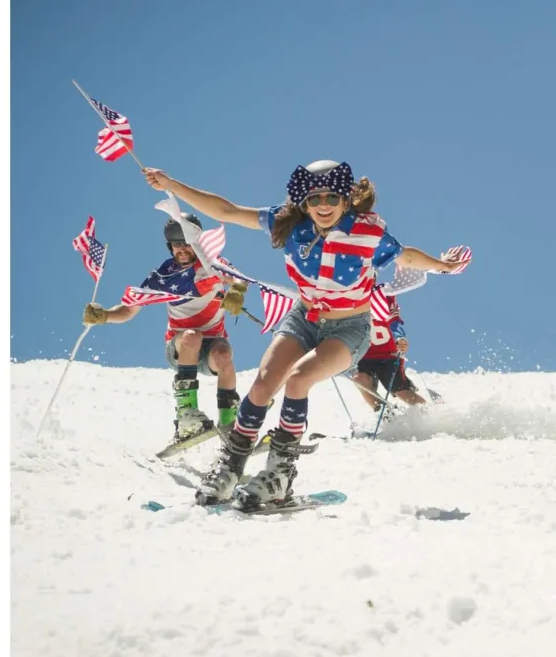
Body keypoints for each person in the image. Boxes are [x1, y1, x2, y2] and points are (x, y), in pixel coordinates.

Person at [144, 160, 469, 508]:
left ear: (345, 200)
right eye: (314, 199)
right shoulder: (290, 225)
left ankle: (280, 474)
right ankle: (230, 465)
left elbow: (406, 256)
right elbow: (227, 210)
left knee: (299, 380)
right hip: (305, 318)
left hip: (350, 326)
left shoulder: (367, 232)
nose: (323, 206)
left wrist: (441, 265)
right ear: (303, 202)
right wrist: (171, 185)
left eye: (331, 197)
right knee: (264, 383)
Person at [83, 213, 250, 456]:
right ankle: (186, 417)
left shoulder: (212, 264)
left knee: (224, 354)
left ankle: (229, 424)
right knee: (192, 336)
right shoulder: (162, 276)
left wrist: (236, 292)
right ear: (170, 247)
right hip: (182, 347)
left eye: (186, 243)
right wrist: (105, 315)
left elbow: (238, 278)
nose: (182, 249)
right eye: (176, 244)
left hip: (212, 344)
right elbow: (129, 309)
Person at [352, 293, 427, 414]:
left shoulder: (384, 296)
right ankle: (387, 416)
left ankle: (431, 413)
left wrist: (400, 337)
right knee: (359, 380)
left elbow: (394, 321)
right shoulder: (349, 295)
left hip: (389, 354)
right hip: (365, 355)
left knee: (400, 391)